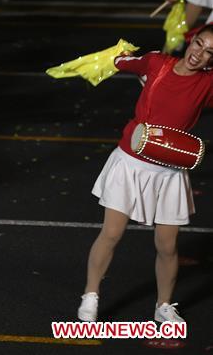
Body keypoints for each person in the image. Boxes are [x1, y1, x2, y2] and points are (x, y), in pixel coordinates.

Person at [77, 29, 213, 324]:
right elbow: (122, 61)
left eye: (209, 53)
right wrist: (123, 62)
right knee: (111, 233)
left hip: (169, 171)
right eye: (199, 43)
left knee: (167, 246)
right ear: (191, 40)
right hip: (131, 163)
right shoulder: (157, 63)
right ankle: (90, 296)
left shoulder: (207, 84)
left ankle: (163, 306)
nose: (198, 53)